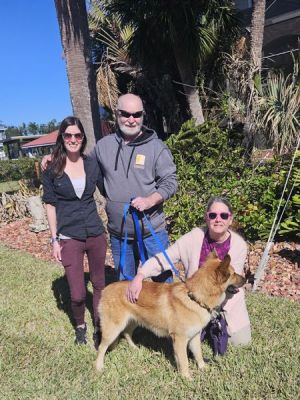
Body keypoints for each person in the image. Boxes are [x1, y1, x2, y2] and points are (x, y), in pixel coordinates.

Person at [127, 196, 251, 347]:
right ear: (207, 217)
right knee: (186, 336)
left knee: (241, 342)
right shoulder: (194, 237)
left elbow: (231, 287)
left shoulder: (239, 245)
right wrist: (141, 274)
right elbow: (165, 258)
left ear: (230, 219)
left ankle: (215, 325)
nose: (218, 219)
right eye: (213, 215)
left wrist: (211, 310)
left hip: (225, 302)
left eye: (223, 215)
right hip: (194, 302)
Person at [94, 93, 178, 281]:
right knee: (125, 288)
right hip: (119, 235)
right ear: (117, 114)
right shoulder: (103, 146)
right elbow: (85, 168)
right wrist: (55, 157)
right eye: (126, 114)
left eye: (137, 115)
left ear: (142, 116)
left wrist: (150, 200)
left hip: (152, 233)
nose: (131, 120)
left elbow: (170, 182)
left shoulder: (157, 147)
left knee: (163, 287)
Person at [42, 116, 107, 349]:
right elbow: (50, 204)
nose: (73, 139)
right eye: (68, 135)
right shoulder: (52, 168)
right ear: (62, 138)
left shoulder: (91, 164)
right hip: (69, 235)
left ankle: (100, 325)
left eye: (77, 135)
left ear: (83, 138)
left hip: (95, 232)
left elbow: (108, 187)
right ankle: (80, 325)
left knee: (99, 283)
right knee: (78, 293)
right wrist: (54, 239)